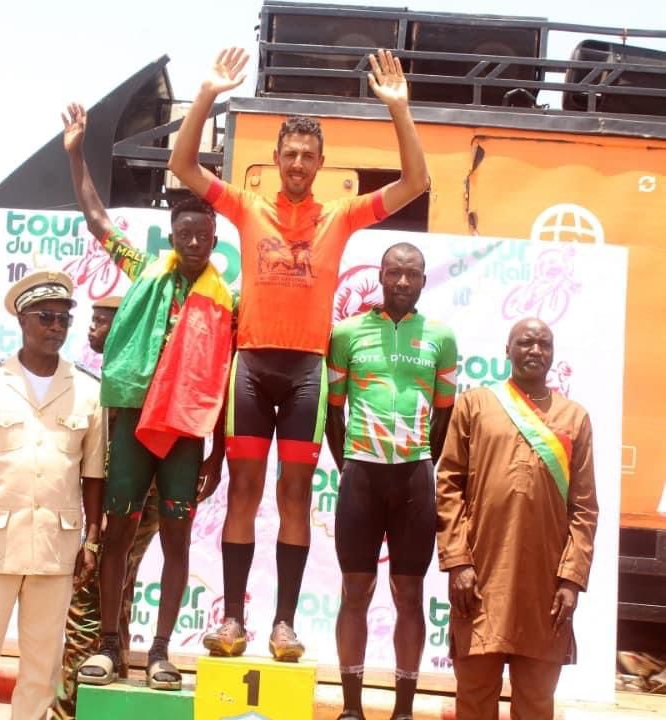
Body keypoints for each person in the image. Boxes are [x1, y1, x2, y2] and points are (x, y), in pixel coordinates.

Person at [168, 47, 430, 660]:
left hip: (307, 371)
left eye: (308, 156)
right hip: (253, 367)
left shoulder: (340, 215)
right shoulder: (246, 205)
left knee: (295, 495)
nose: (297, 164)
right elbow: (182, 164)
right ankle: (233, 620)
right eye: (289, 154)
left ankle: (283, 624)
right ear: (275, 158)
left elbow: (416, 183)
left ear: (320, 164)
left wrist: (399, 108)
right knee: (243, 492)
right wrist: (206, 93)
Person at [64, 102, 232, 690]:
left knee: (177, 539)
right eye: (186, 234)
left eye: (203, 235)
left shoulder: (227, 300)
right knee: (118, 531)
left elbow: (228, 379)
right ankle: (113, 645)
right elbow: (96, 218)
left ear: (215, 240)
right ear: (173, 237)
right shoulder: (145, 270)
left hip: (186, 431)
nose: (195, 242)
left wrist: (218, 452)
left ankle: (161, 651)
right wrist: (75, 153)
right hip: (134, 419)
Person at [0, 269, 106, 719]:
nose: (56, 327)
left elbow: (93, 475)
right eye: (45, 317)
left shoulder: (88, 391)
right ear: (22, 320)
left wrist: (92, 540)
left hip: (56, 546)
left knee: (42, 663)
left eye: (63, 319)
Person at [436, 318, 598, 720]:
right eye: (525, 342)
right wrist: (457, 562)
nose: (535, 350)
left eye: (544, 344)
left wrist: (571, 580)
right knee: (474, 695)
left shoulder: (574, 417)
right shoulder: (475, 404)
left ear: (553, 354)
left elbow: (584, 507)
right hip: (480, 578)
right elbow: (448, 485)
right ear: (507, 350)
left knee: (537, 700)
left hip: (545, 586)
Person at [324, 242, 457, 720]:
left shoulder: (441, 337)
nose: (403, 281)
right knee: (354, 592)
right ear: (380, 275)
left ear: (423, 279)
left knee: (410, 595)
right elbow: (332, 412)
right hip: (360, 474)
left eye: (413, 273)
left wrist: (422, 462)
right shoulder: (347, 333)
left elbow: (444, 416)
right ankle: (351, 708)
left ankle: (403, 710)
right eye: (395, 272)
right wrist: (350, 464)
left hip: (414, 479)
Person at [50, 291, 163, 719]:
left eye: (101, 321)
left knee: (90, 599)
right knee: (113, 603)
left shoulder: (133, 383)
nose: (91, 330)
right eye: (92, 320)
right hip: (103, 508)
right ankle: (103, 704)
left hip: (131, 507)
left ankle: (71, 711)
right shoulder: (105, 377)